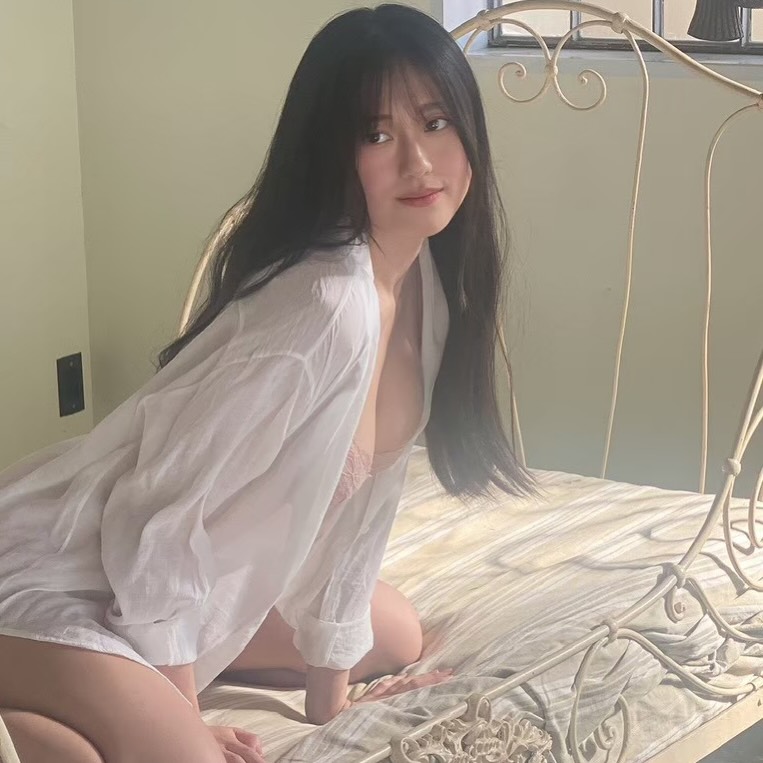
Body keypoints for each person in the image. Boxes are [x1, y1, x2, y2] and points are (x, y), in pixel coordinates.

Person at [0, 4, 536, 762]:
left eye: (435, 121)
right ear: (330, 154)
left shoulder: (427, 293)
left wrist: (331, 702)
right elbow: (156, 515)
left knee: (394, 633)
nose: (419, 162)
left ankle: (85, 709)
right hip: (56, 576)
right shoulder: (324, 307)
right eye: (376, 135)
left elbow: (363, 510)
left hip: (154, 577)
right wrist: (185, 718)